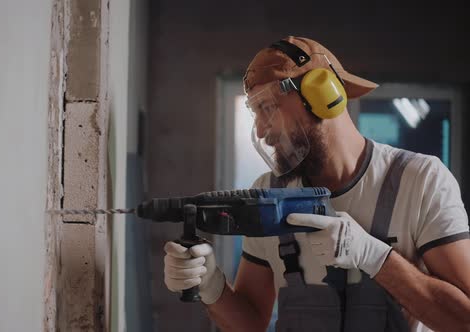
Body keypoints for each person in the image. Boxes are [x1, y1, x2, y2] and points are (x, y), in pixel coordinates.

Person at [162, 36, 470, 331]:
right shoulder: (271, 196)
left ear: (323, 95)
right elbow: (251, 321)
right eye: (254, 112)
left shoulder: (421, 180)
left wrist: (375, 257)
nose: (260, 131)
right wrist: (211, 286)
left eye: (267, 107)